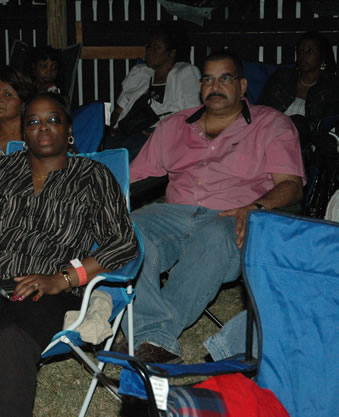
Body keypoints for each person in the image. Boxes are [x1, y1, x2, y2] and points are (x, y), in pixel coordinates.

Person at [0, 92, 138, 417]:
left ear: (69, 131)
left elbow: (122, 241)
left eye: (53, 120)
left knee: (11, 342)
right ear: (23, 133)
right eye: (33, 122)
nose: (42, 128)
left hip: (46, 289)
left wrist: (61, 279)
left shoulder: (92, 176)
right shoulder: (0, 170)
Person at [125, 50, 305, 363]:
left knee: (215, 238)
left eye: (225, 78)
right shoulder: (174, 126)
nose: (215, 85)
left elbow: (291, 186)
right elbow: (132, 175)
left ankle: (151, 336)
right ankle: (151, 334)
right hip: (173, 214)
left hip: (231, 216)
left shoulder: (272, 125)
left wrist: (256, 207)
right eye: (208, 79)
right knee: (130, 230)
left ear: (243, 85)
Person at [103, 23, 201, 159]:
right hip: (126, 131)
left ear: (171, 53)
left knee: (122, 154)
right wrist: (109, 128)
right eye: (148, 45)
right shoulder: (139, 72)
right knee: (100, 149)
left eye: (156, 47)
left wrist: (160, 131)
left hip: (159, 136)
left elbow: (194, 116)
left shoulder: (185, 72)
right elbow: (118, 111)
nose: (149, 50)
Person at [258, 31, 339, 140]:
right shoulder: (283, 77)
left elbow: (324, 124)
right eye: (301, 51)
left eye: (310, 51)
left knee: (299, 123)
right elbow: (262, 107)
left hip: (305, 142)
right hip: (269, 133)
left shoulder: (330, 87)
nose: (303, 55)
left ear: (322, 56)